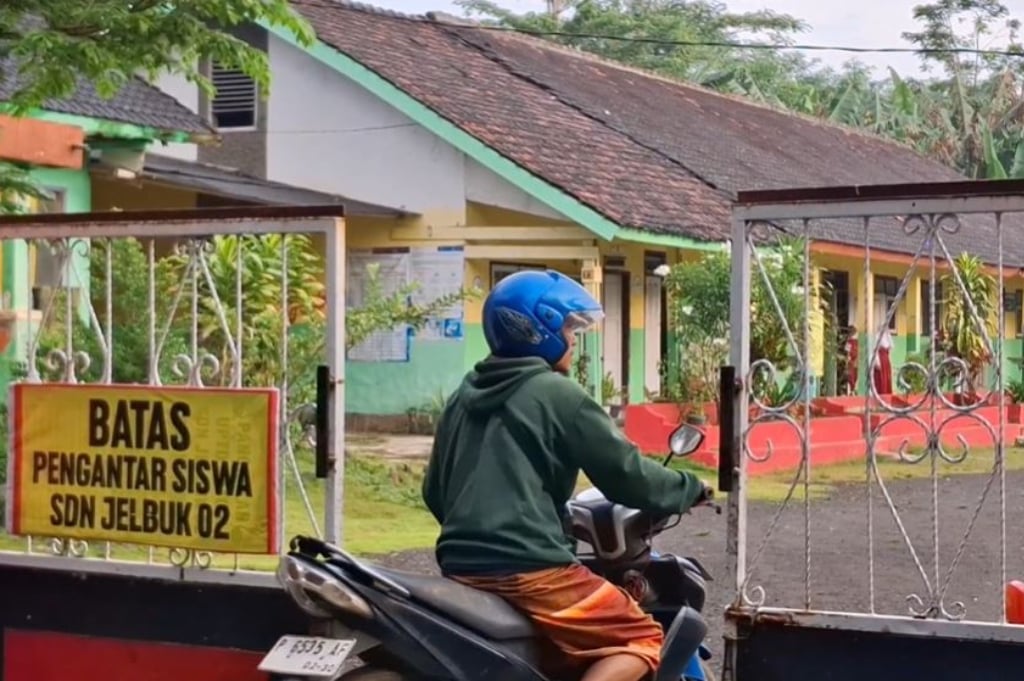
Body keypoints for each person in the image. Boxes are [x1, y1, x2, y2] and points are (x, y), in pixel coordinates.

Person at [422, 270, 712, 681]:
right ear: (536, 329)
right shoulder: (559, 395)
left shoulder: (462, 397)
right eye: (569, 327)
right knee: (643, 639)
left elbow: (434, 491)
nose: (575, 339)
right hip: (532, 569)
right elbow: (628, 477)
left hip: (459, 567)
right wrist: (690, 487)